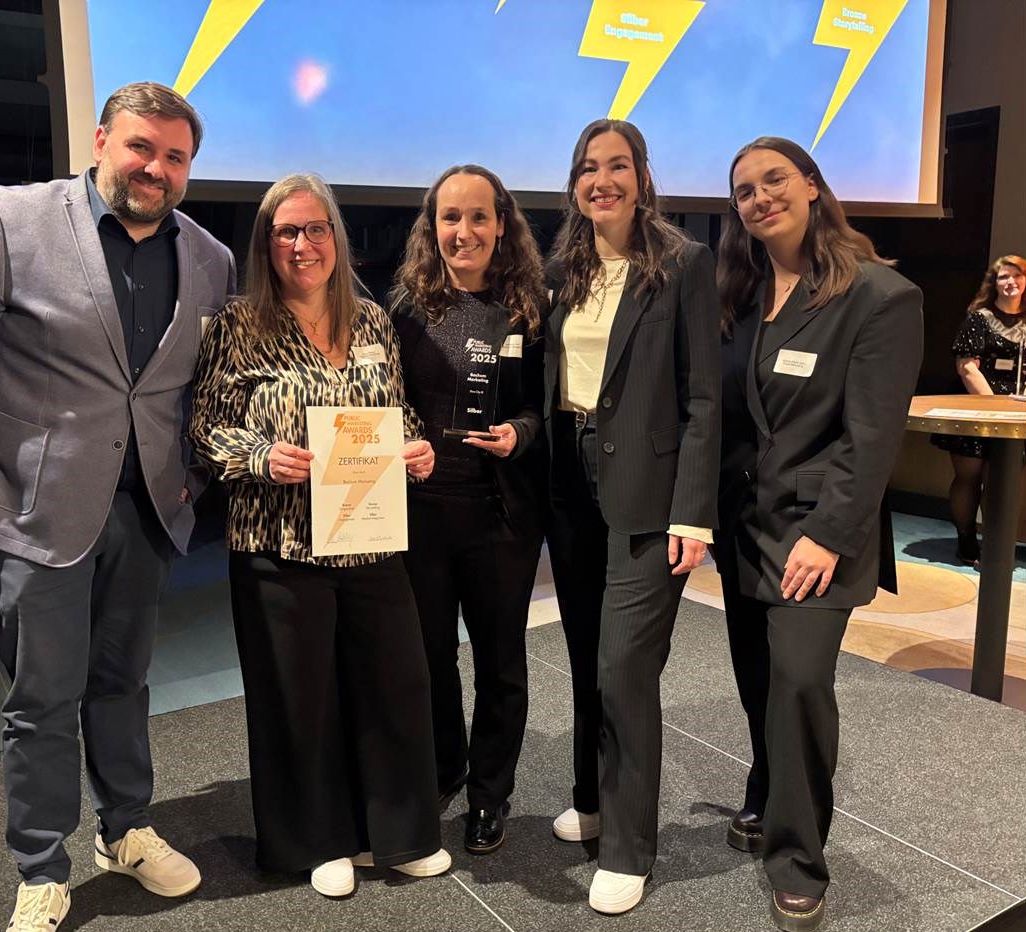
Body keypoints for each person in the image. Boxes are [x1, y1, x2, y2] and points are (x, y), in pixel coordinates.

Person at [0, 83, 234, 931]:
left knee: (123, 683)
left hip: (147, 514)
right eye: (140, 147)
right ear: (100, 140)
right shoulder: (7, 219)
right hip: (34, 508)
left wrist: (195, 471)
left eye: (174, 157)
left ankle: (125, 829)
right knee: (42, 699)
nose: (154, 167)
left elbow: (198, 385)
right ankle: (41, 865)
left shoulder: (209, 257)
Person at [189, 173, 449, 898]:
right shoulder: (238, 326)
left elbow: (394, 415)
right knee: (299, 698)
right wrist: (260, 457)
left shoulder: (371, 322)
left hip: (369, 538)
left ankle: (397, 834)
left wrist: (417, 448)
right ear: (266, 244)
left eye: (316, 229)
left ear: (337, 238)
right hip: (279, 546)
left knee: (396, 684)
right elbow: (204, 431)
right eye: (286, 232)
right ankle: (317, 841)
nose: (302, 245)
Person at [713, 136, 923, 931]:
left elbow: (872, 438)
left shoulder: (879, 295)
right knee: (758, 680)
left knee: (800, 683)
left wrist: (830, 533)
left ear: (810, 185)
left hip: (816, 533)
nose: (759, 197)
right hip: (745, 526)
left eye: (773, 180)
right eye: (743, 191)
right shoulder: (742, 292)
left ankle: (799, 859)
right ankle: (766, 797)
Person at [543, 119, 720, 915]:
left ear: (644, 178)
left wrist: (694, 514)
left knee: (625, 668)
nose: (601, 181)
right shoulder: (564, 265)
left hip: (651, 495)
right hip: (571, 483)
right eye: (588, 168)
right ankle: (591, 799)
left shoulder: (683, 264)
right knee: (587, 655)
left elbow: (704, 399)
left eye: (617, 166)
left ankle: (628, 847)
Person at [389, 165, 548, 855]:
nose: (464, 231)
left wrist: (521, 433)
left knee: (501, 663)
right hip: (420, 515)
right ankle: (445, 765)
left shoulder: (531, 309)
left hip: (499, 516)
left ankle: (491, 793)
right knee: (429, 658)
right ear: (433, 228)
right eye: (450, 218)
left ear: (502, 224)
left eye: (478, 217)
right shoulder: (404, 306)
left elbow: (546, 409)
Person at [931, 255, 1026, 564]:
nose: (1011, 281)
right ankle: (966, 539)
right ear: (993, 283)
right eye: (1003, 277)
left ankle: (996, 545)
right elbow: (968, 369)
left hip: (1017, 415)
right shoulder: (979, 317)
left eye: (1017, 275)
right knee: (969, 478)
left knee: (1002, 481)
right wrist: (993, 408)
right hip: (977, 409)